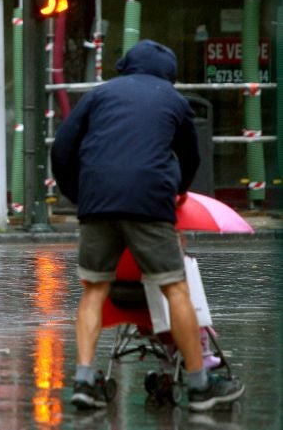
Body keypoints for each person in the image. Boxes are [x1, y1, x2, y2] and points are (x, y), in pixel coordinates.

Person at [50, 39, 244, 411]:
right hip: (149, 204)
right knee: (175, 288)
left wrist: (79, 193)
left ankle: (85, 381)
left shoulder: (99, 94)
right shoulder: (173, 100)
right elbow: (190, 156)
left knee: (94, 289)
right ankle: (200, 385)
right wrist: (178, 192)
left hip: (97, 203)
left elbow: (62, 147)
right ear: (168, 74)